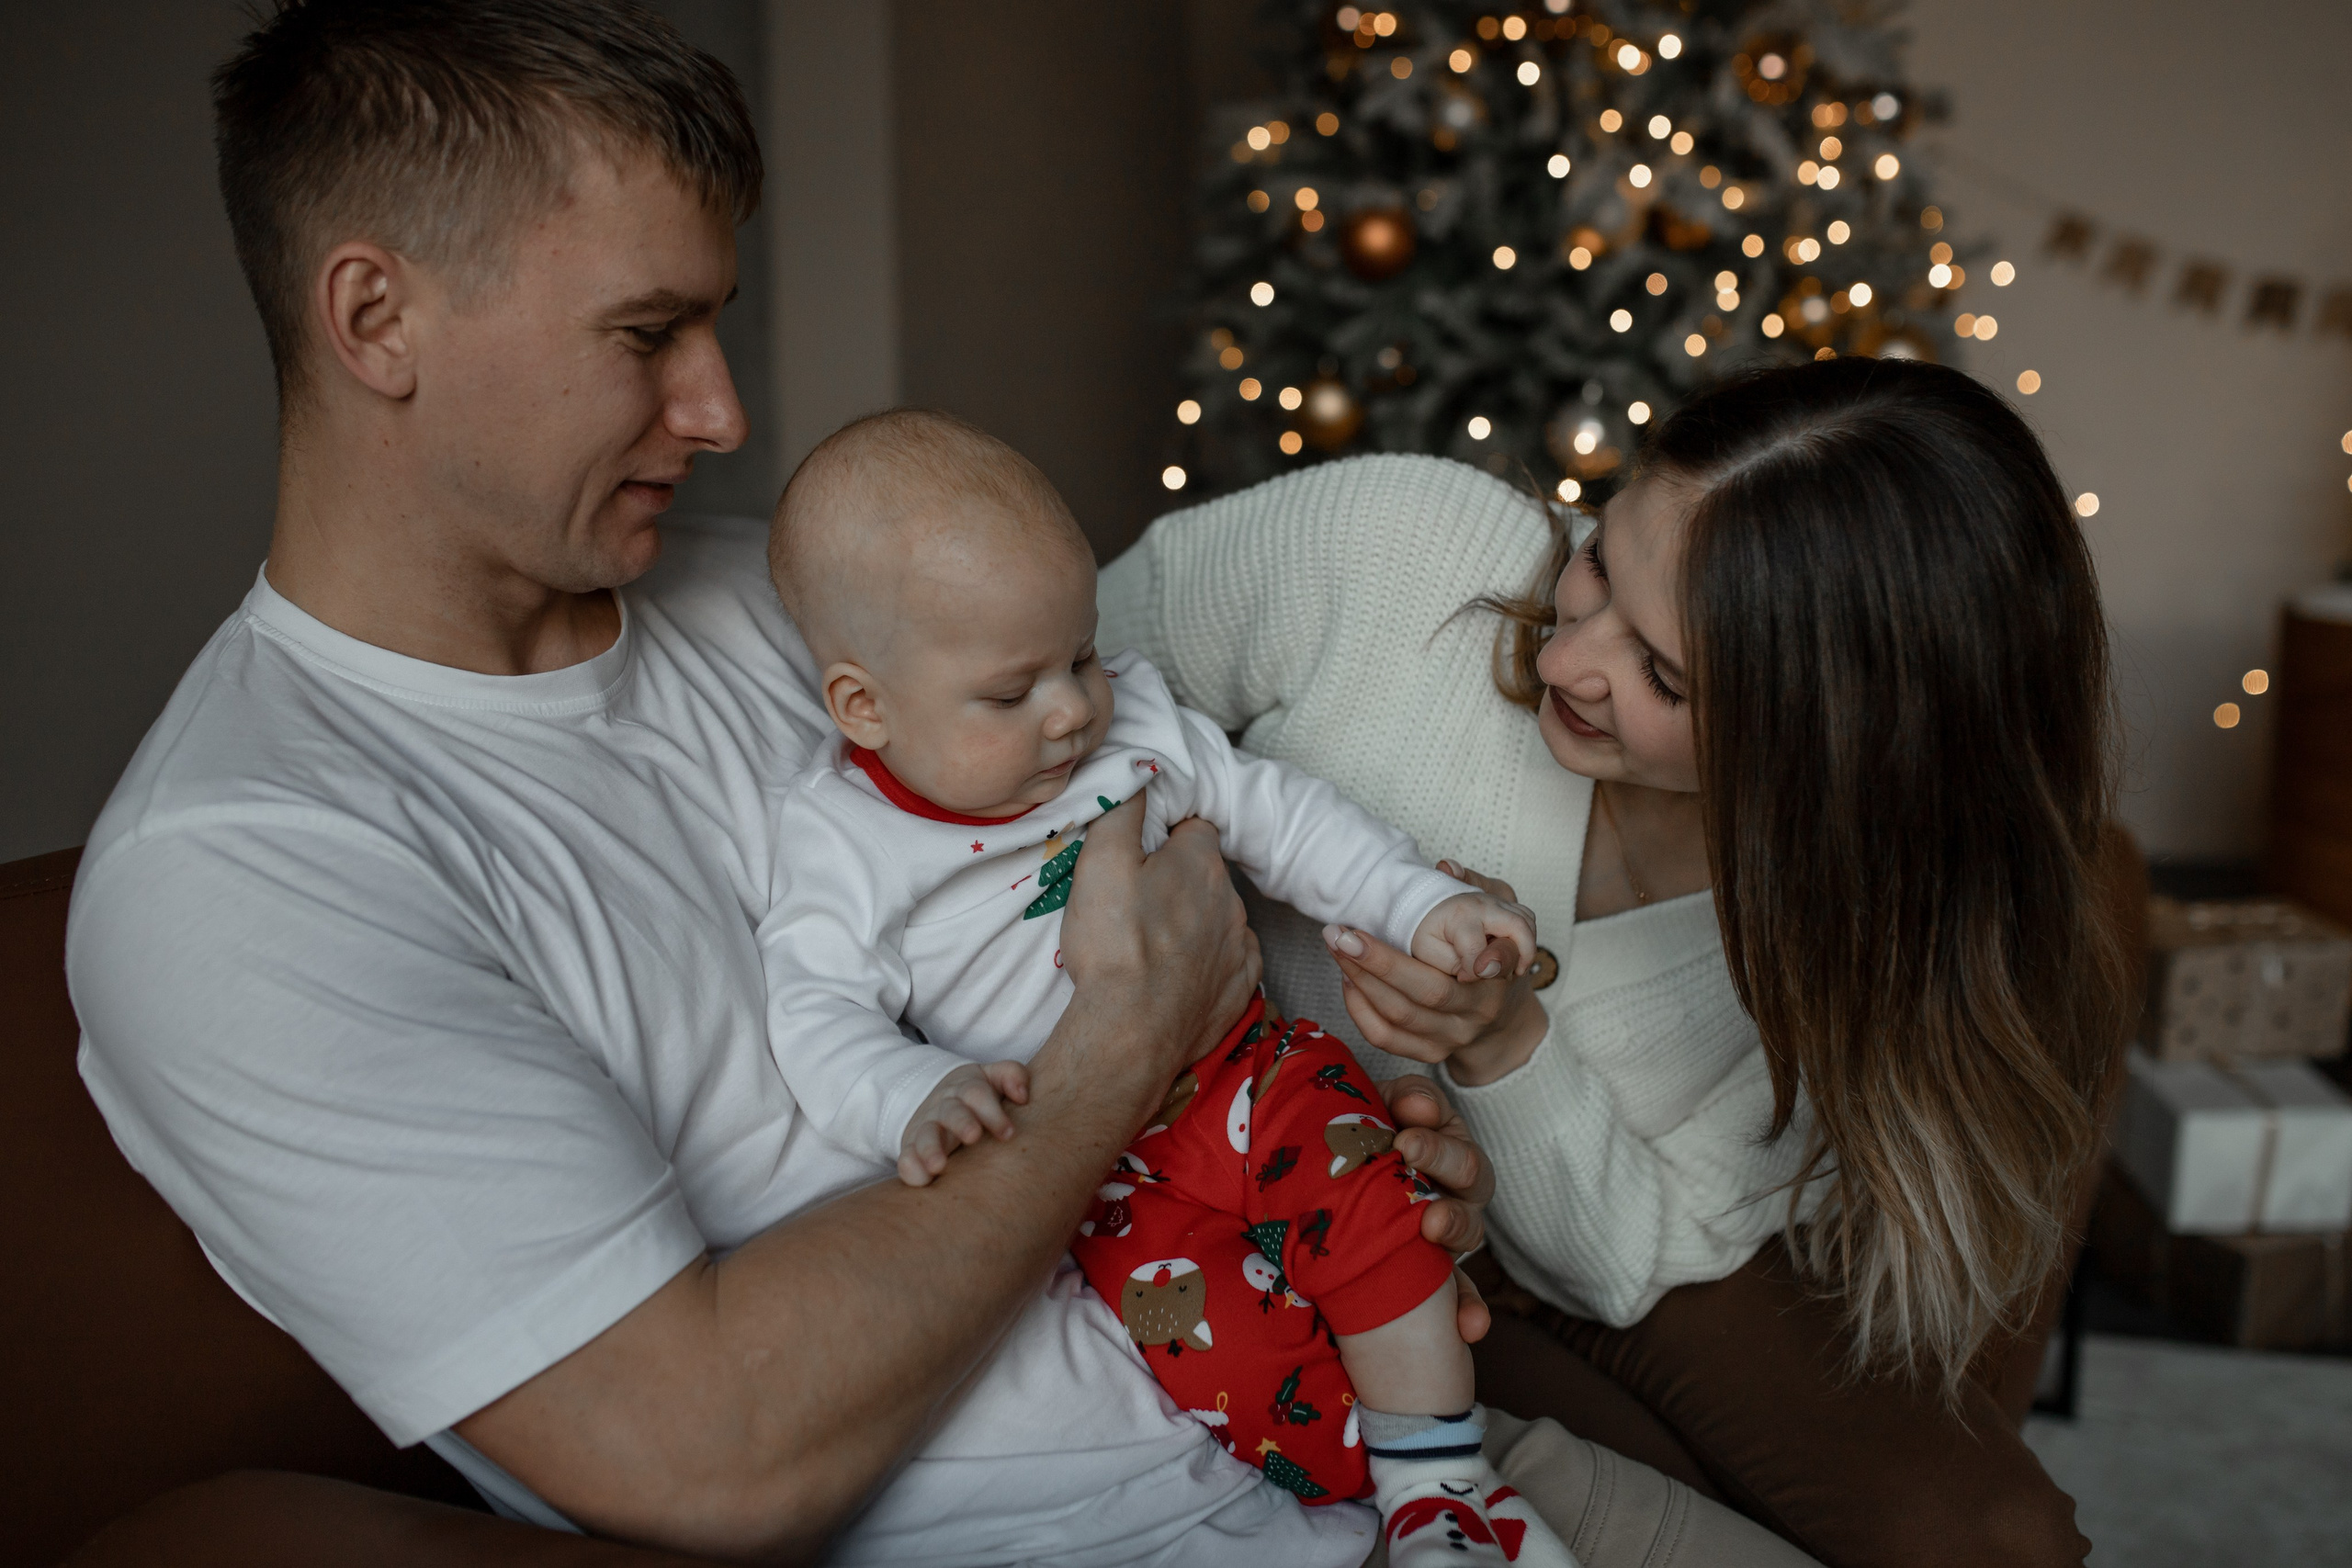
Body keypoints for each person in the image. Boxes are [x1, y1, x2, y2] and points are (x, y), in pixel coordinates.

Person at [64, 3, 1822, 1564]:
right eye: (645, 333)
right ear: (377, 317)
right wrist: (1127, 1047)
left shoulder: (785, 602)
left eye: (717, 325)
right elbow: (709, 1451)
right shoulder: (249, 869)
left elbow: (1158, 786)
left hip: (1348, 1426)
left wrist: (1355, 1131)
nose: (724, 408)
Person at [1099, 358, 2133, 1568]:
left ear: (1832, 746)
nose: (1566, 658)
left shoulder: (1844, 926)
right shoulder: (1396, 544)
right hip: (1295, 1207)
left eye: (1665, 675)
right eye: (1597, 559)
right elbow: (1033, 696)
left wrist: (1498, 1042)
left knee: (2002, 1544)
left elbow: (1619, 1259)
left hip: (1592, 1249)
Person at [758, 409, 1569, 1567]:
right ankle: (1382, 1497)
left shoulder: (1132, 723)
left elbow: (1281, 815)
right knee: (1220, 1356)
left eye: (1079, 655)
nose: (1072, 709)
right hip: (1097, 1174)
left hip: (1248, 1070)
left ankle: (1444, 1484)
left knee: (1377, 1219)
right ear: (864, 706)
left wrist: (1415, 903)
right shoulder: (844, 843)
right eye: (1011, 691)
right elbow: (814, 1009)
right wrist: (907, 1093)